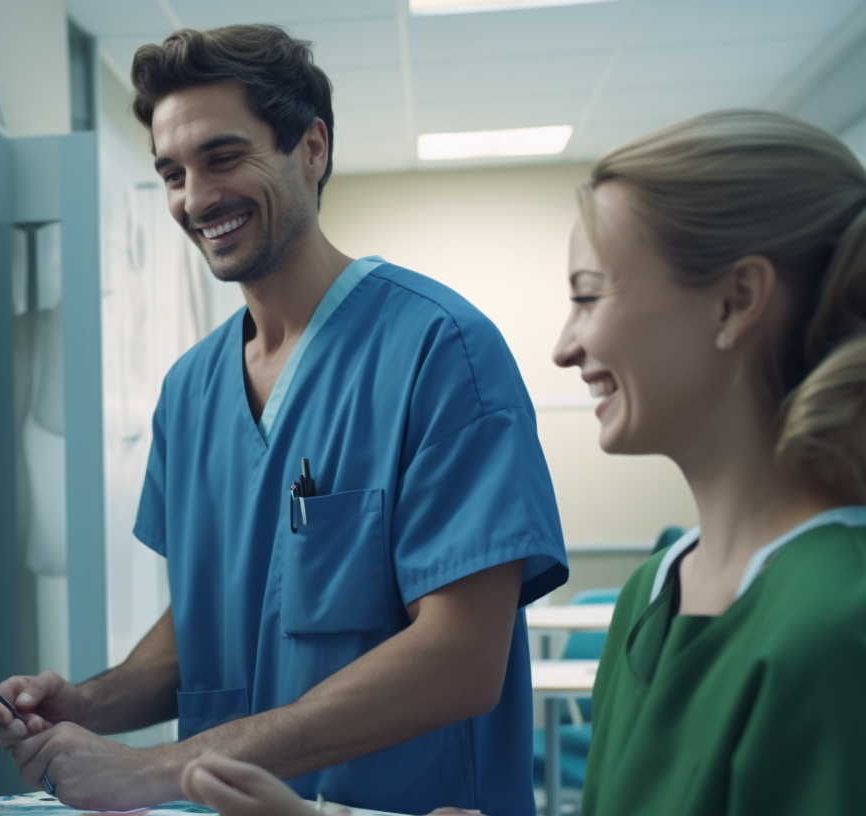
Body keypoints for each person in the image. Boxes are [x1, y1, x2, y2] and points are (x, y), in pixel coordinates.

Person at [172, 109, 866, 816]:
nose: (564, 347)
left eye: (589, 296)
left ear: (736, 301)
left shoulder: (837, 625)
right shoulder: (653, 594)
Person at [0, 24, 567, 816]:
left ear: (312, 149)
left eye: (223, 158)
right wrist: (94, 704)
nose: (196, 198)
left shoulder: (442, 351)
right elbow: (214, 613)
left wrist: (160, 767)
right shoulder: (190, 392)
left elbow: (461, 656)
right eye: (172, 173)